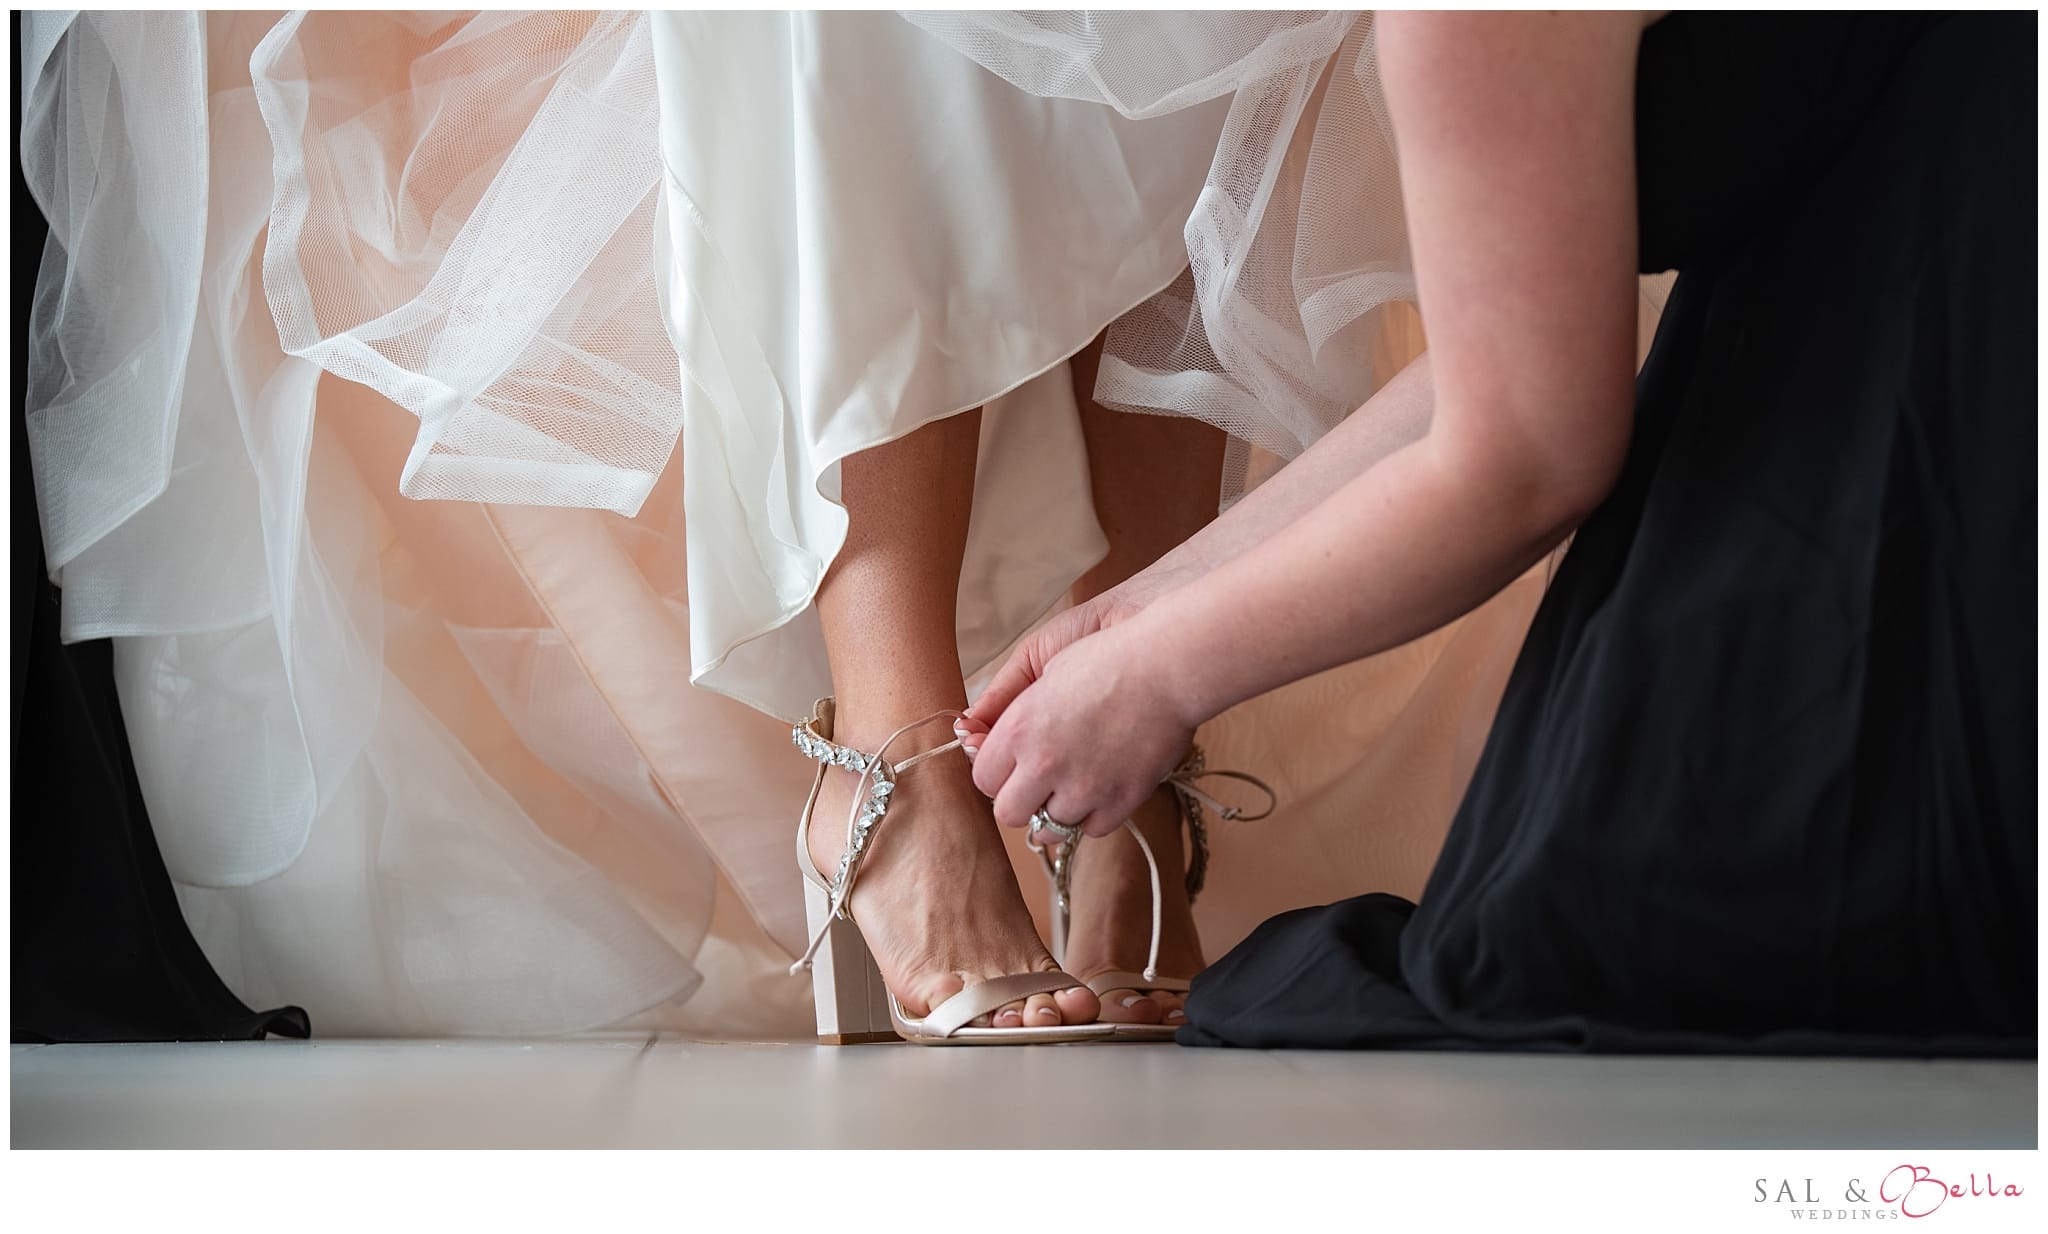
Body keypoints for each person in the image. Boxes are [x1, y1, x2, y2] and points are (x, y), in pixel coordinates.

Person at [961, 10, 2036, 1053]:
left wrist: (1159, 675)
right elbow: (1510, 354)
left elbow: (1522, 453)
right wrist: (1143, 607)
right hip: (1964, 374)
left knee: (1587, 925)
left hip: (1925, 485)